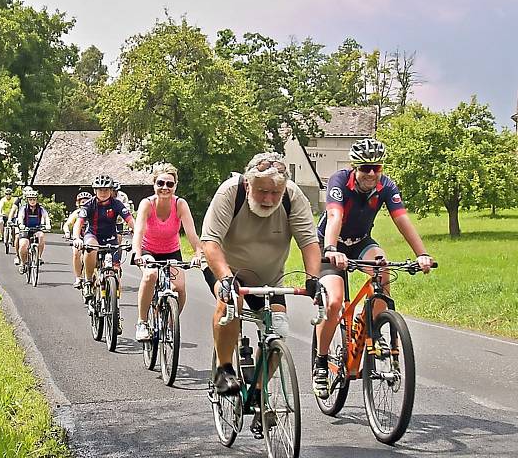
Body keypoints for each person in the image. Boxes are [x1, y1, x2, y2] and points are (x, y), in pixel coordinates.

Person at [313, 138, 434, 399]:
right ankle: (321, 362)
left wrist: (422, 254)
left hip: (360, 242)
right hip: (329, 243)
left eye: (375, 167)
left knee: (382, 269)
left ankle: (373, 324)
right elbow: (335, 216)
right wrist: (332, 249)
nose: (370, 173)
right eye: (365, 168)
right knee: (334, 302)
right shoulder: (339, 180)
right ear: (355, 167)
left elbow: (402, 220)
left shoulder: (386, 186)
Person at [201, 152, 321, 415]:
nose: (268, 199)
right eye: (262, 191)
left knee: (279, 330)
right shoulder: (230, 193)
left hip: (268, 276)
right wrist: (224, 278)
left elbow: (309, 242)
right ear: (248, 184)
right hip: (225, 267)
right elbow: (210, 242)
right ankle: (224, 370)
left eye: (275, 193)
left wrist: (313, 279)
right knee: (231, 301)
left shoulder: (292, 196)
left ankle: (256, 390)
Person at [132, 164, 202, 341]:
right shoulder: (147, 204)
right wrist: (137, 254)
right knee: (150, 275)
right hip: (149, 250)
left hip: (171, 251)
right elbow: (139, 231)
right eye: (161, 183)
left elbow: (191, 234)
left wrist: (198, 253)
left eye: (169, 184)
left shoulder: (180, 204)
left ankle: (171, 324)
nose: (165, 188)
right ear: (154, 184)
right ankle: (142, 322)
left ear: (175, 186)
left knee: (179, 288)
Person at [71, 175, 135, 296]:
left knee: (115, 269)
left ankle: (113, 304)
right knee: (91, 247)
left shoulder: (117, 204)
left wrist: (137, 234)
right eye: (100, 189)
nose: (103, 192)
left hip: (111, 237)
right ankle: (89, 281)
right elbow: (78, 223)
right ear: (95, 191)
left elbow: (130, 220)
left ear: (111, 191)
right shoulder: (89, 205)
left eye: (106, 189)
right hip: (93, 235)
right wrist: (76, 238)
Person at [63, 191, 93, 288]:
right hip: (79, 238)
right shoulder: (76, 213)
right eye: (82, 201)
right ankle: (78, 277)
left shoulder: (94, 212)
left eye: (87, 201)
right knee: (77, 253)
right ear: (78, 203)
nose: (85, 203)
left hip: (92, 238)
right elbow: (67, 224)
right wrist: (67, 232)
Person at [17, 190, 51, 272]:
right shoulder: (23, 209)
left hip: (36, 229)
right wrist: (21, 224)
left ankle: (38, 258)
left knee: (41, 236)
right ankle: (23, 263)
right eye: (30, 199)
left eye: (34, 199)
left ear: (37, 200)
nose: (32, 201)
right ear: (27, 200)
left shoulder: (41, 209)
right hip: (25, 229)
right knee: (23, 245)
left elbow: (46, 217)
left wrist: (48, 225)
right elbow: (20, 217)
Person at [9, 186, 34, 265]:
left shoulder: (34, 200)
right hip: (20, 222)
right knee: (17, 237)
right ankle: (18, 256)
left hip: (30, 221)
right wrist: (10, 219)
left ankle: (36, 255)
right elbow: (13, 210)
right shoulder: (19, 200)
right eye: (27, 191)